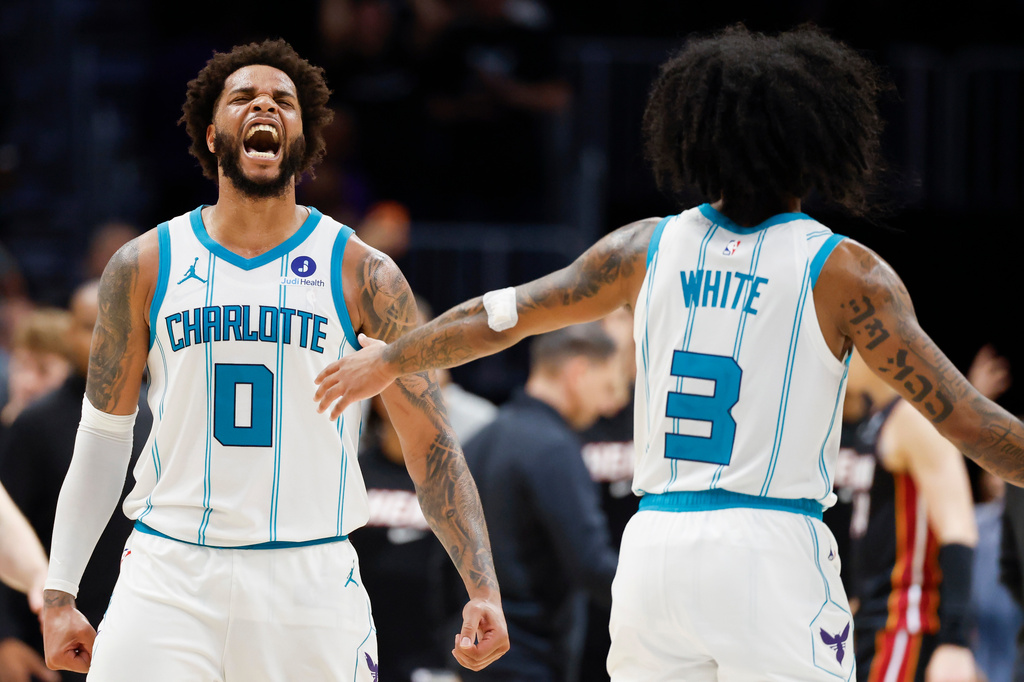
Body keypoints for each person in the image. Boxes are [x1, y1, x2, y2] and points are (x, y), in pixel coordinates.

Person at [314, 25, 1024, 680]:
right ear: (816, 146)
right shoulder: (845, 273)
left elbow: (504, 315)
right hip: (767, 547)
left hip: (656, 555)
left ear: (697, 141)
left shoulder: (644, 248)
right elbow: (967, 419)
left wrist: (392, 357)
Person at [40, 39, 508, 681]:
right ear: (212, 133)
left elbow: (430, 441)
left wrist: (483, 586)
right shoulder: (144, 265)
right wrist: (59, 591)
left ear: (306, 135)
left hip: (308, 576)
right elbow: (102, 434)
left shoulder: (364, 273)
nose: (264, 105)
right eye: (243, 98)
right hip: (169, 571)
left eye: (283, 101)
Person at [0, 281, 152, 682]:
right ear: (70, 332)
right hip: (54, 636)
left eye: (120, 326)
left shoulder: (165, 415)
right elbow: (7, 520)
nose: (103, 338)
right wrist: (6, 636)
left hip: (145, 626)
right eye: (90, 325)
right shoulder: (33, 424)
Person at [453, 323, 622, 682]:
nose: (608, 405)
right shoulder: (554, 448)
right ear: (578, 372)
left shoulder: (478, 441)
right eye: (606, 386)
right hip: (532, 654)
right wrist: (660, 602)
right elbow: (589, 563)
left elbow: (442, 559)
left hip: (475, 653)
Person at [841, 351, 979, 682]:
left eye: (848, 346)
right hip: (873, 620)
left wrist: (954, 642)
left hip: (906, 621)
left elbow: (959, 529)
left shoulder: (916, 418)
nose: (838, 357)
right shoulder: (875, 421)